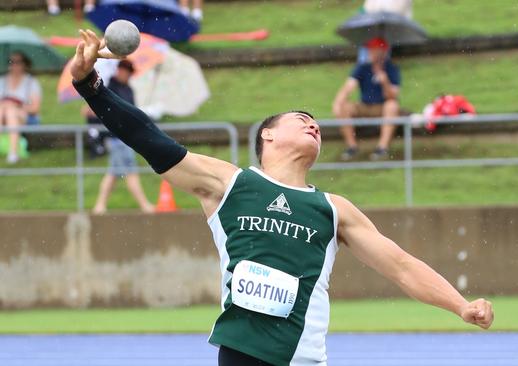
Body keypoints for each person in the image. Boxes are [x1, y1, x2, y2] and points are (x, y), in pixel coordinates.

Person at [70, 29, 493, 365]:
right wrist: (91, 85)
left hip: (304, 358)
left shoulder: (333, 208)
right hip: (241, 353)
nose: (314, 125)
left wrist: (460, 306)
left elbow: (400, 266)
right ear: (267, 134)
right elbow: (151, 140)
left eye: (317, 125)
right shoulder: (229, 184)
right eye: (301, 119)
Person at [88, 59, 155, 214]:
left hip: (124, 136)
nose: (127, 74)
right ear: (119, 70)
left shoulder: (128, 90)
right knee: (130, 171)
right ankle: (144, 204)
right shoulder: (108, 88)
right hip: (116, 136)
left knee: (113, 173)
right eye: (125, 70)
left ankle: (100, 205)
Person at [333, 37, 401, 161]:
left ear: (382, 51)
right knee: (344, 106)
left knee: (392, 106)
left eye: (374, 49)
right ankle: (352, 147)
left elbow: (393, 96)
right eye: (370, 49)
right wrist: (338, 102)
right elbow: (349, 85)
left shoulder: (392, 69)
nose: (370, 52)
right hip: (365, 105)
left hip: (382, 107)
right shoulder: (363, 67)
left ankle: (382, 148)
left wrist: (385, 81)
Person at [0, 52, 41, 164]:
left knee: (11, 112)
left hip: (24, 116)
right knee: (5, 110)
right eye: (11, 62)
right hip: (2, 113)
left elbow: (35, 109)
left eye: (18, 62)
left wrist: (16, 105)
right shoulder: (2, 81)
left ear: (24, 64)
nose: (14, 65)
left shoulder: (31, 82)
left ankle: (13, 152)